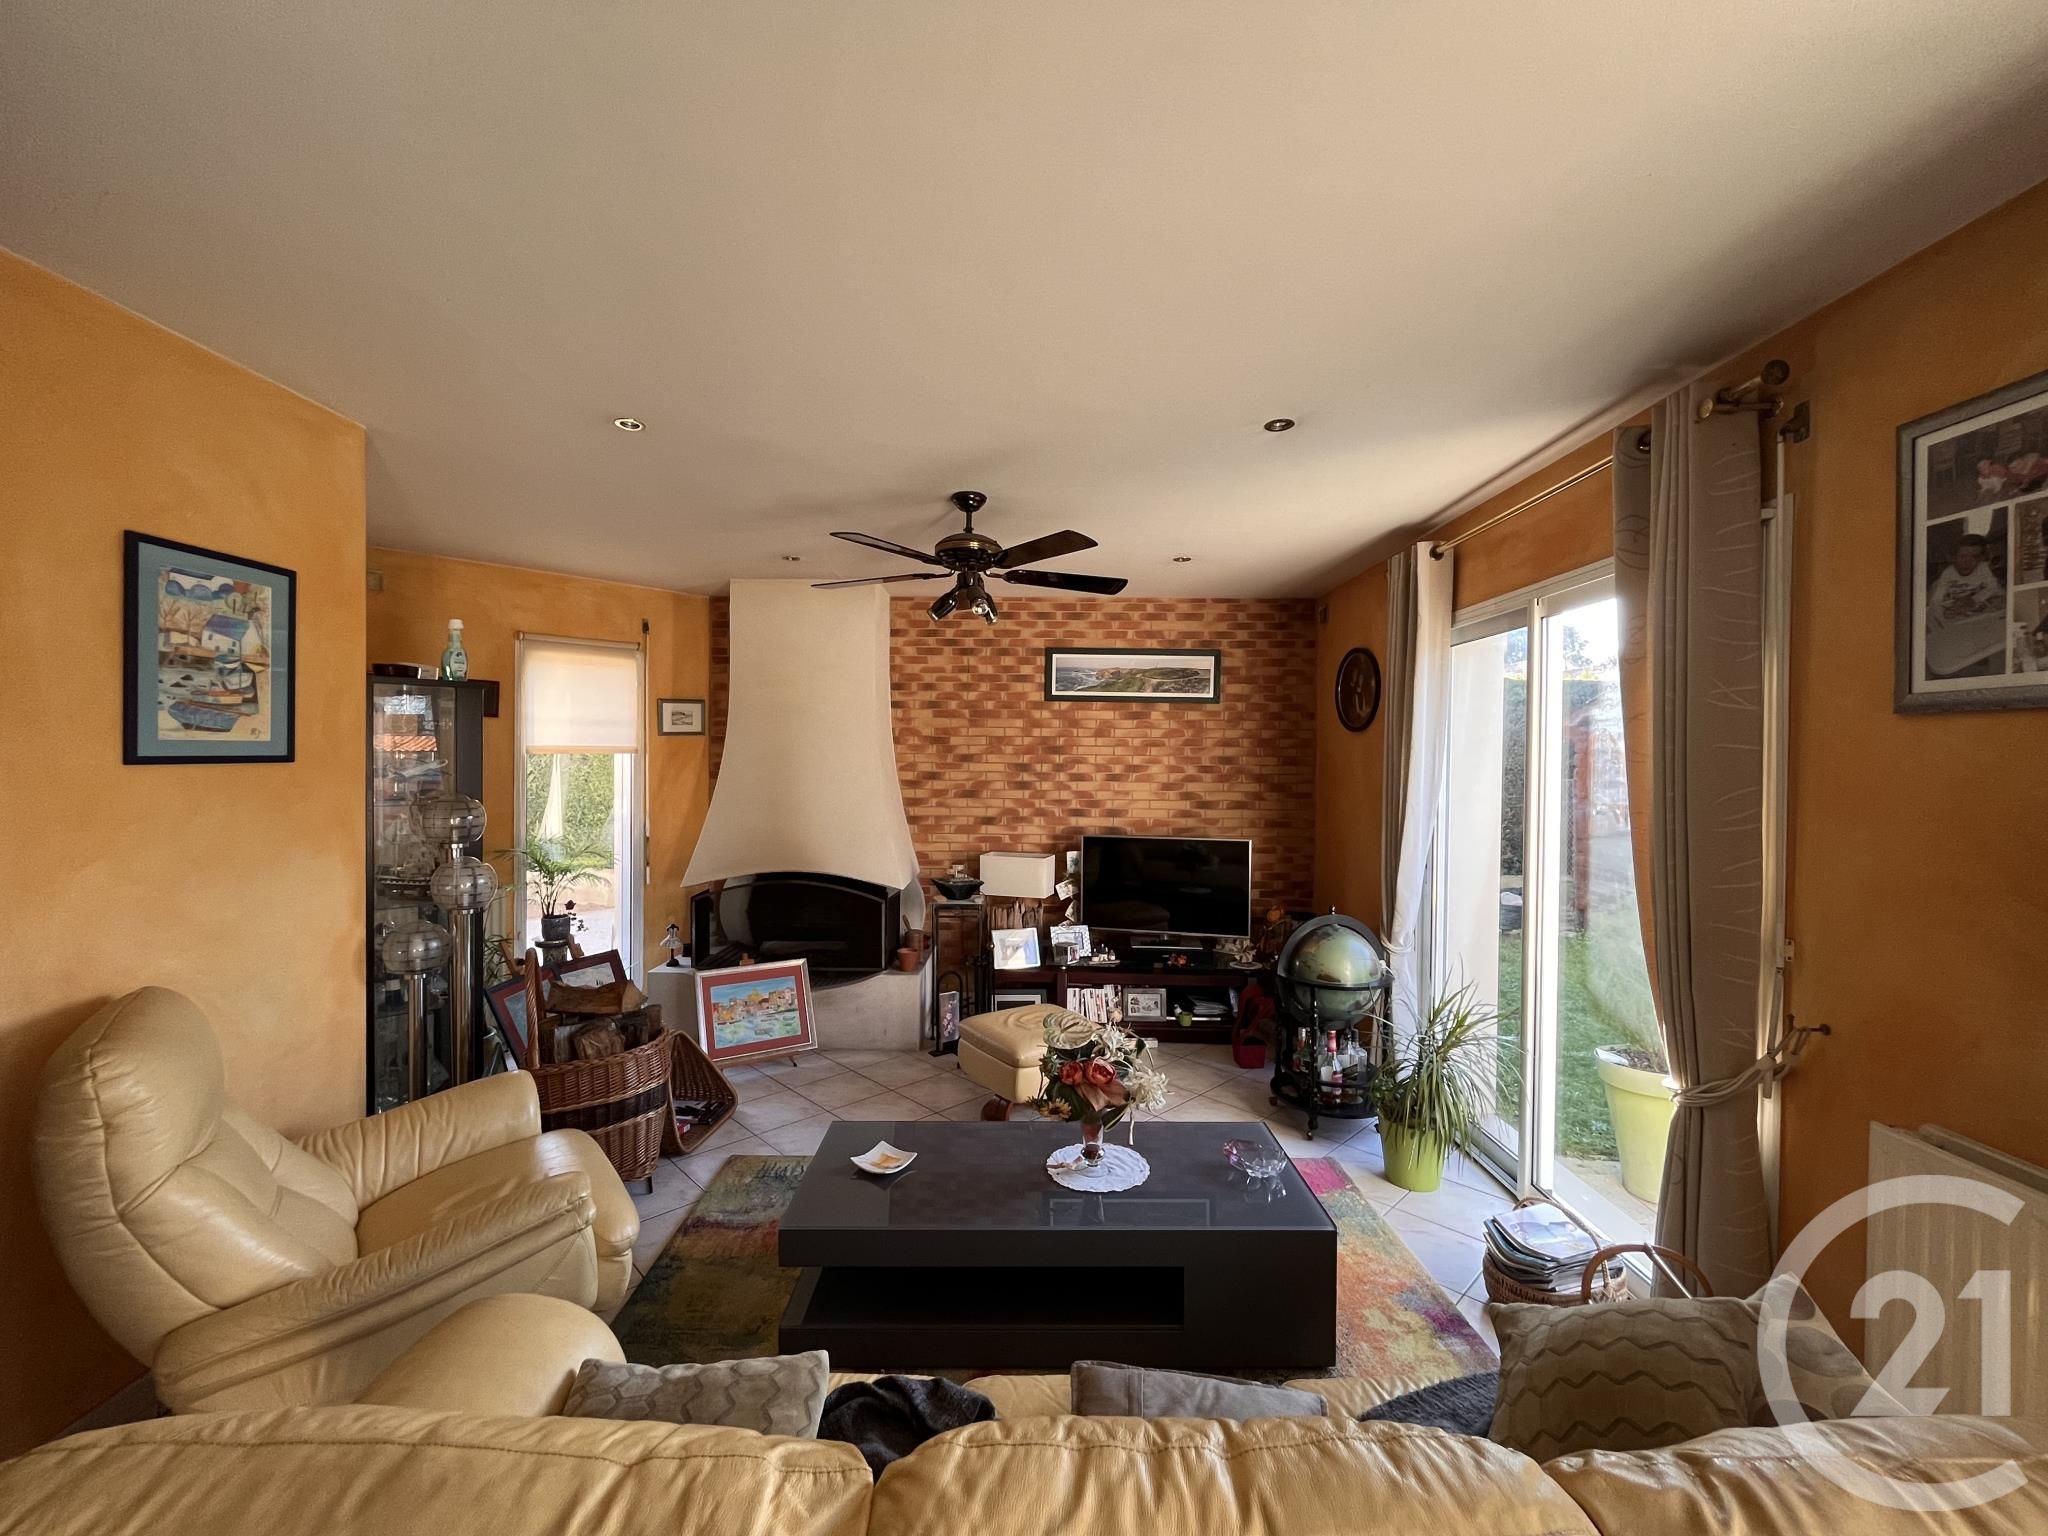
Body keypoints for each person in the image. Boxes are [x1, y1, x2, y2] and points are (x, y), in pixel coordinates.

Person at [1929, 533, 2004, 620]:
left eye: (1975, 557)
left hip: (1976, 605)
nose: (1968, 561)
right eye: (1963, 556)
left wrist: (1974, 599)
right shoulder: (1948, 573)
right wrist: (1942, 613)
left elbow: (1993, 587)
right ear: (1953, 557)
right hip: (1955, 605)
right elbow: (1936, 599)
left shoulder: (1984, 568)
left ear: (1981, 558)